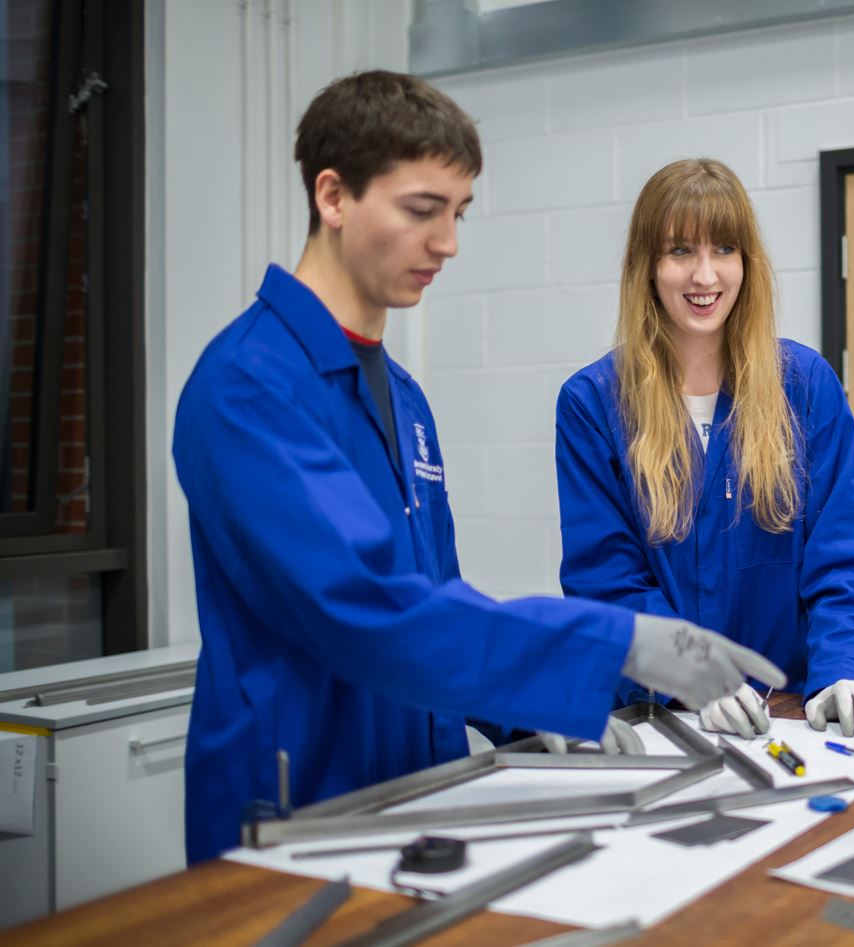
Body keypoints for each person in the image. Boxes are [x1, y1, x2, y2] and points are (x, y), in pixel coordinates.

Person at [172, 72, 782, 864]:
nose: (449, 243)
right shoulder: (248, 388)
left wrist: (526, 719)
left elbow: (437, 600)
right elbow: (369, 612)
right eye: (423, 211)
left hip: (410, 792)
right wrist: (610, 644)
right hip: (293, 805)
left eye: (457, 214)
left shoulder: (405, 399)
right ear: (333, 197)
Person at [555, 158, 854, 740]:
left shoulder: (804, 386)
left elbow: (844, 554)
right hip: (659, 721)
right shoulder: (593, 404)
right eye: (680, 251)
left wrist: (850, 666)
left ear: (748, 263)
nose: (705, 275)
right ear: (647, 267)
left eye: (725, 250)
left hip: (790, 718)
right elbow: (607, 581)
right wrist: (694, 675)